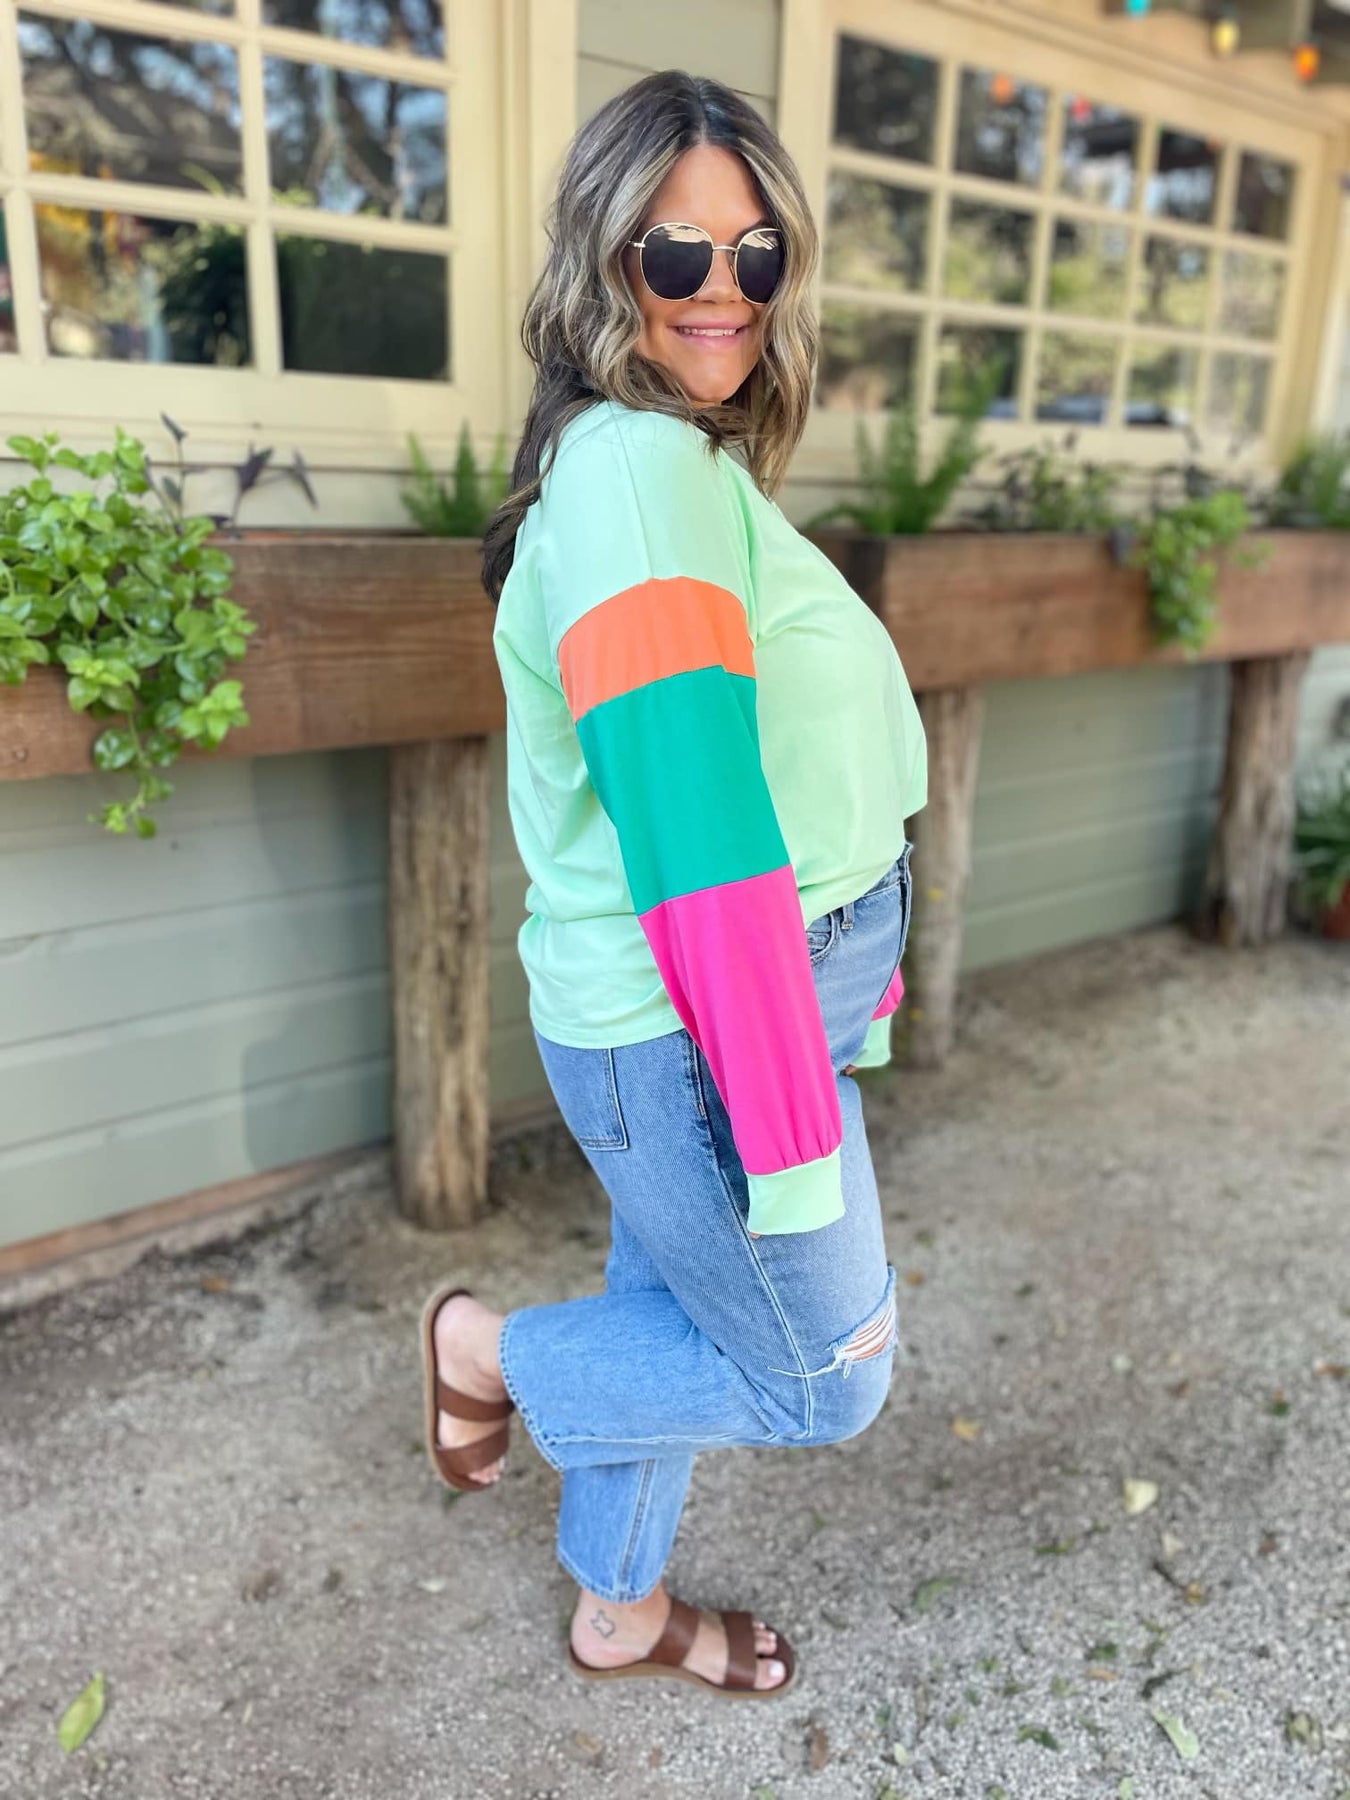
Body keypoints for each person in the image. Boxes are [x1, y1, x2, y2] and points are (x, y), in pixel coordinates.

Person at [418, 69, 927, 1700]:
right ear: (601, 259)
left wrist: (861, 971)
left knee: (680, 1308)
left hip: (747, 999)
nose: (726, 290)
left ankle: (617, 1613)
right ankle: (482, 1351)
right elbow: (702, 860)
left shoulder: (672, 463)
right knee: (818, 1374)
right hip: (699, 1023)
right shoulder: (637, 480)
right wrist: (788, 1143)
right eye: (677, 251)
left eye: (757, 253)